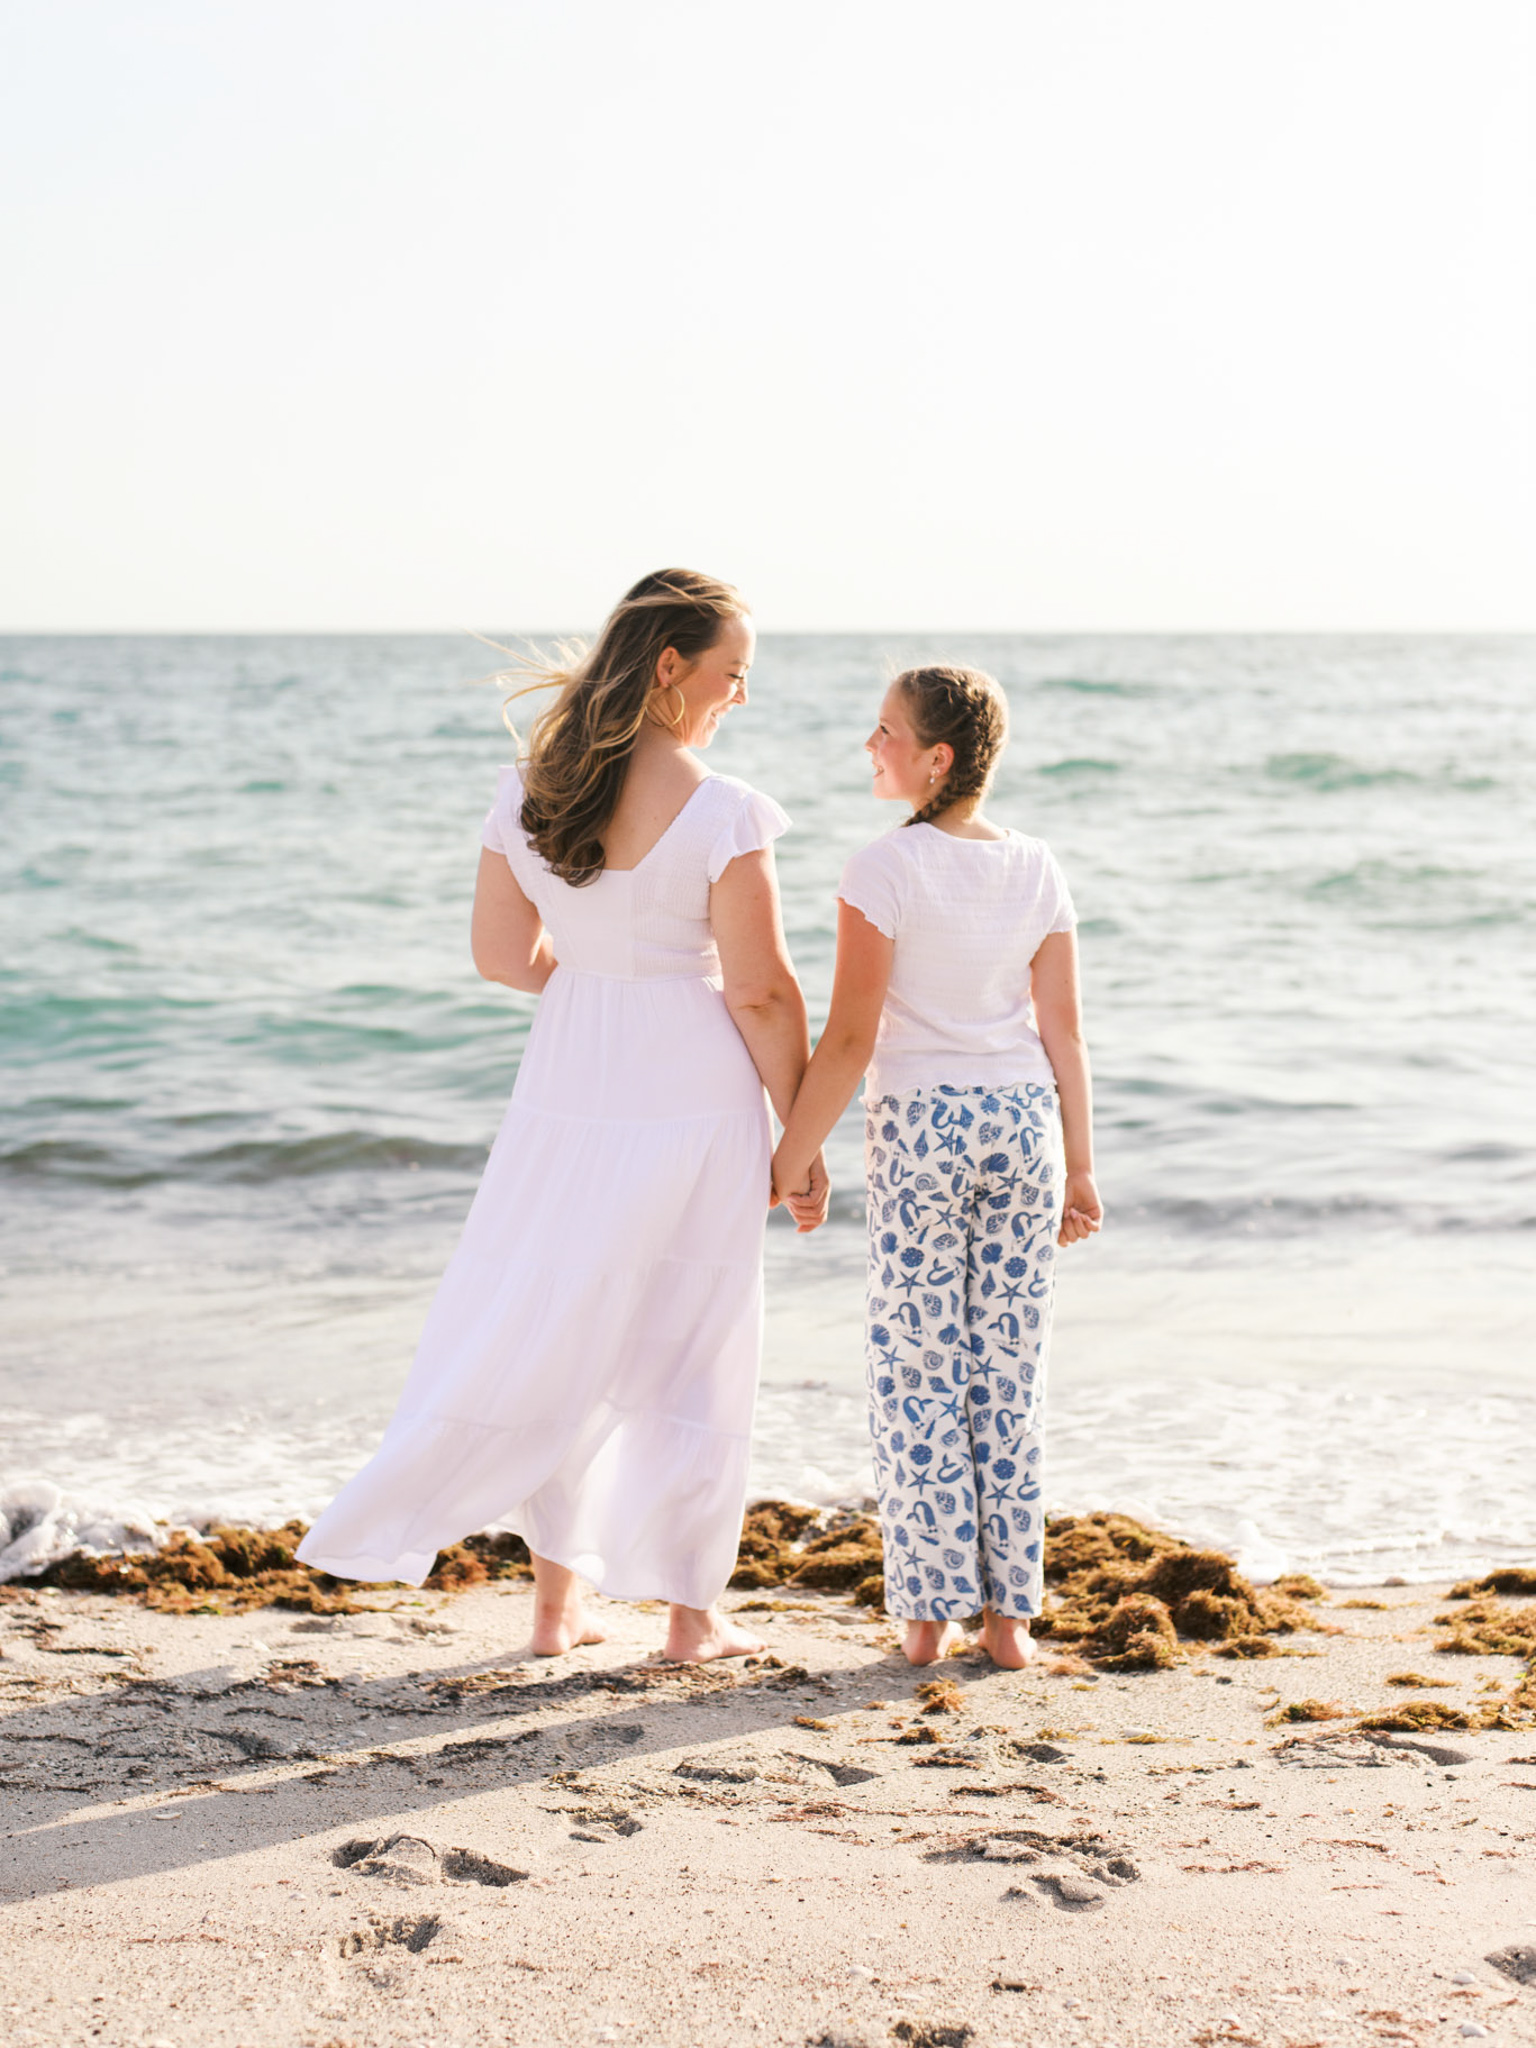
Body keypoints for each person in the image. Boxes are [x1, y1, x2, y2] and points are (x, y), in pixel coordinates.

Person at [298, 569, 827, 1662]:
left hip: (565, 1083)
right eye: (734, 674)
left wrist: (598, 984)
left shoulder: (530, 789)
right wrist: (801, 1135)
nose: (741, 696)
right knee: (693, 1342)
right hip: (692, 1087)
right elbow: (763, 991)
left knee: (568, 1320)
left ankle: (555, 1606)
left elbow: (502, 956)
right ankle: (688, 1615)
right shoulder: (723, 808)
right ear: (673, 666)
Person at [770, 665, 1101, 1669]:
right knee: (1010, 1370)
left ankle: (927, 1615)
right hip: (1024, 1126)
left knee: (919, 1370)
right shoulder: (1038, 865)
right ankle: (1011, 1623)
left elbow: (851, 1037)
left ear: (937, 756)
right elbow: (1066, 1031)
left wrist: (790, 1153)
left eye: (885, 732)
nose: (871, 746)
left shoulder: (883, 868)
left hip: (923, 1130)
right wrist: (1082, 1166)